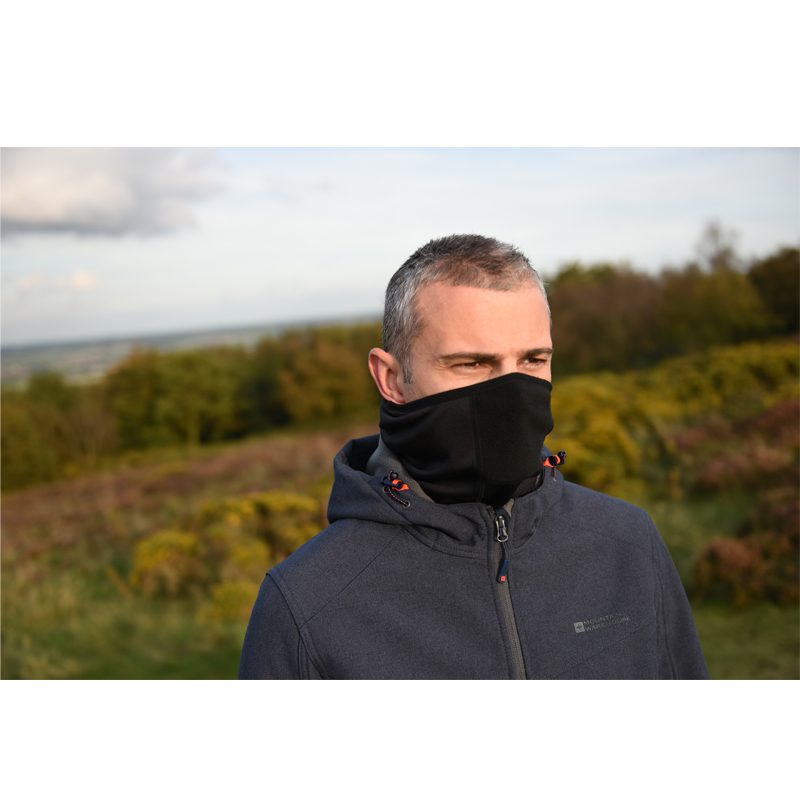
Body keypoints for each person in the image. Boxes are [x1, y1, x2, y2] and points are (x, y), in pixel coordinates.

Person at [239, 234, 709, 679]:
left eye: (533, 360)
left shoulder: (626, 544)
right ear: (391, 378)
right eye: (472, 363)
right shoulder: (307, 601)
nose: (511, 390)